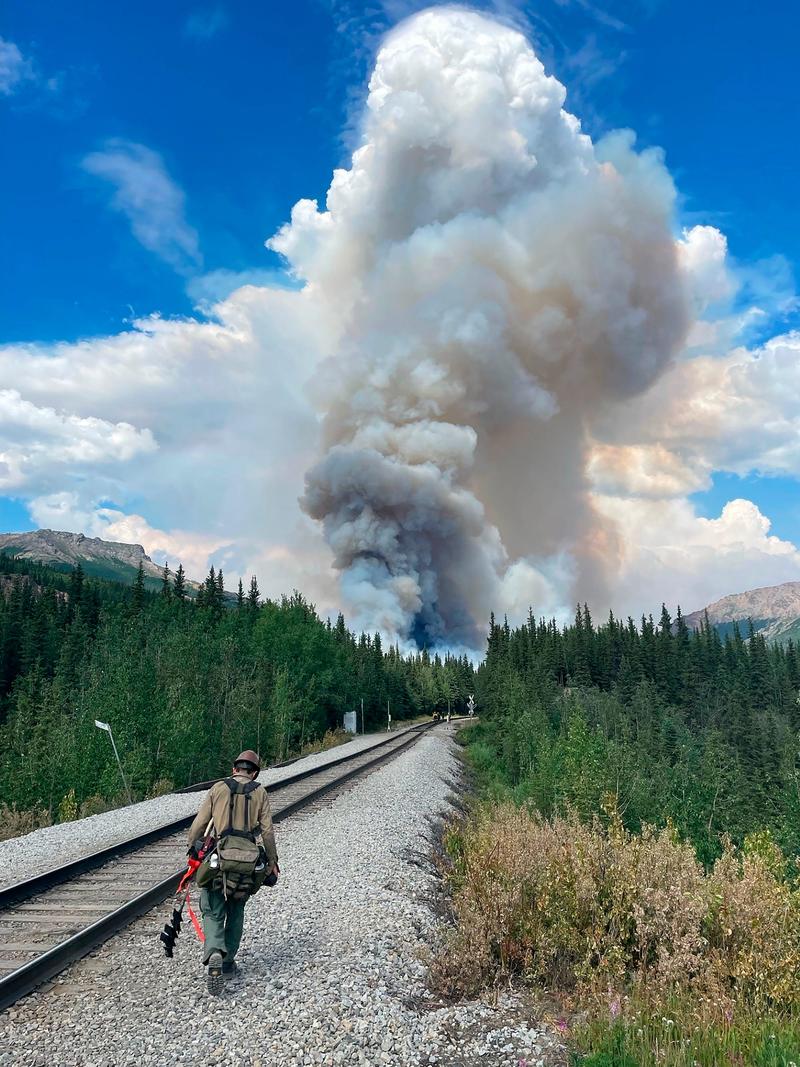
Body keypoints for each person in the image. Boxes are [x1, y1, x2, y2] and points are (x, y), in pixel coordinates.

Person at [186, 749, 279, 992]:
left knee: (212, 905)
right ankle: (227, 963)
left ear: (234, 769)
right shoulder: (260, 792)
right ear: (255, 772)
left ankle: (215, 950)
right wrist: (272, 861)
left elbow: (199, 824)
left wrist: (192, 849)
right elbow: (267, 831)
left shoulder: (218, 788)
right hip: (247, 860)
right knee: (237, 907)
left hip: (219, 855)